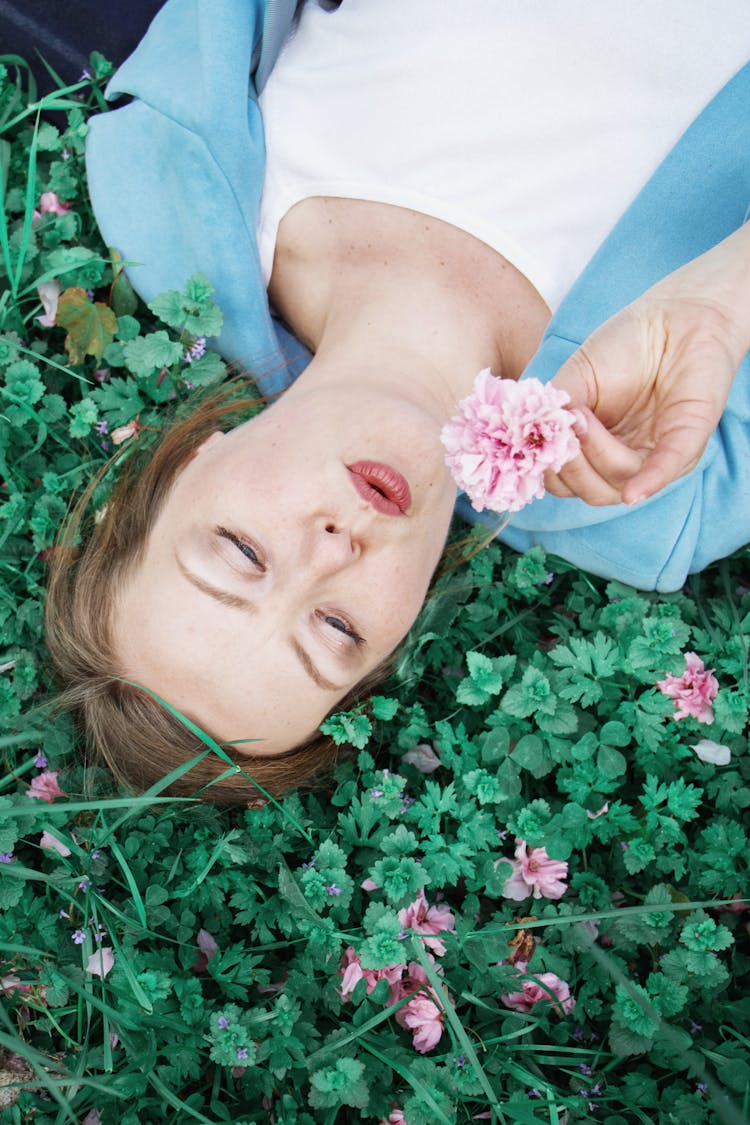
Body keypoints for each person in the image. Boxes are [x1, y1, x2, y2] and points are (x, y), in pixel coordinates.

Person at [45, 0, 750, 804]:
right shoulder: (659, 492)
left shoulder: (180, 201)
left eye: (242, 553)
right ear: (397, 639)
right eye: (337, 630)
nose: (332, 551)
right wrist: (727, 302)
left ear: (188, 460)